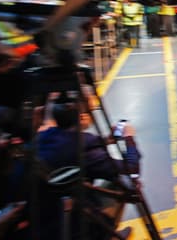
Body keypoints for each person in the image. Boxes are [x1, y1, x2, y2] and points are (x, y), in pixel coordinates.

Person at [35, 93, 140, 239]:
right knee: (125, 183)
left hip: (44, 213)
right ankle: (106, 234)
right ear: (82, 117)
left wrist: (107, 139)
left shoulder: (43, 136)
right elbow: (131, 168)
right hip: (72, 219)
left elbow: (70, 145)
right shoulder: (84, 145)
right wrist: (129, 137)